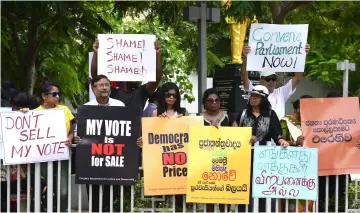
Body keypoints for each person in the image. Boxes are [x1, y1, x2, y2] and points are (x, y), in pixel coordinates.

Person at [75, 75, 125, 212]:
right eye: (101, 85)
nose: (104, 88)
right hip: (93, 162)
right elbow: (78, 133)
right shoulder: (85, 108)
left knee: (113, 200)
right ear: (93, 88)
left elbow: (127, 130)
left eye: (107, 85)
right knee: (95, 200)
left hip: (113, 160)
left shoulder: (120, 106)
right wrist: (77, 139)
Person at [237, 85, 289, 213]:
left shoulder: (271, 114)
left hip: (263, 160)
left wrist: (281, 140)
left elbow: (276, 133)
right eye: (252, 96)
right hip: (245, 159)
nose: (253, 98)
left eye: (257, 96)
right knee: (245, 189)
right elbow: (234, 134)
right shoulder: (243, 114)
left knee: (262, 188)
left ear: (263, 99)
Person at [91, 39, 162, 113]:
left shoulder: (140, 93)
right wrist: (96, 53)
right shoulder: (112, 92)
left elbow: (156, 78)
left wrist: (157, 55)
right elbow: (96, 78)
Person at [241, 44, 311, 120]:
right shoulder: (254, 92)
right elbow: (245, 78)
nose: (271, 81)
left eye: (273, 78)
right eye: (268, 79)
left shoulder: (281, 92)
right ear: (260, 80)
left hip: (277, 129)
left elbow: (297, 78)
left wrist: (302, 56)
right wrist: (245, 59)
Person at [36, 78, 75, 212]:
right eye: (54, 94)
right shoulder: (35, 113)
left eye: (59, 94)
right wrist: (24, 112)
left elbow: (72, 129)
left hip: (62, 155)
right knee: (42, 188)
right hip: (42, 158)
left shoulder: (64, 110)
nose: (57, 96)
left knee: (63, 191)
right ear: (44, 96)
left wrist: (70, 137)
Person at [199, 88, 237, 212]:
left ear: (220, 102)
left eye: (216, 100)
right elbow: (195, 137)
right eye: (210, 100)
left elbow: (236, 135)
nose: (214, 103)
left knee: (224, 193)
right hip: (206, 161)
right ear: (205, 102)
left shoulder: (229, 116)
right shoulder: (198, 119)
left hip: (226, 160)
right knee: (209, 193)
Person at [280, 95, 314, 212]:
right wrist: (294, 142)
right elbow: (280, 142)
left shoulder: (312, 122)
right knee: (291, 200)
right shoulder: (286, 122)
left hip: (308, 168)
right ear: (298, 107)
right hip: (291, 168)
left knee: (308, 199)